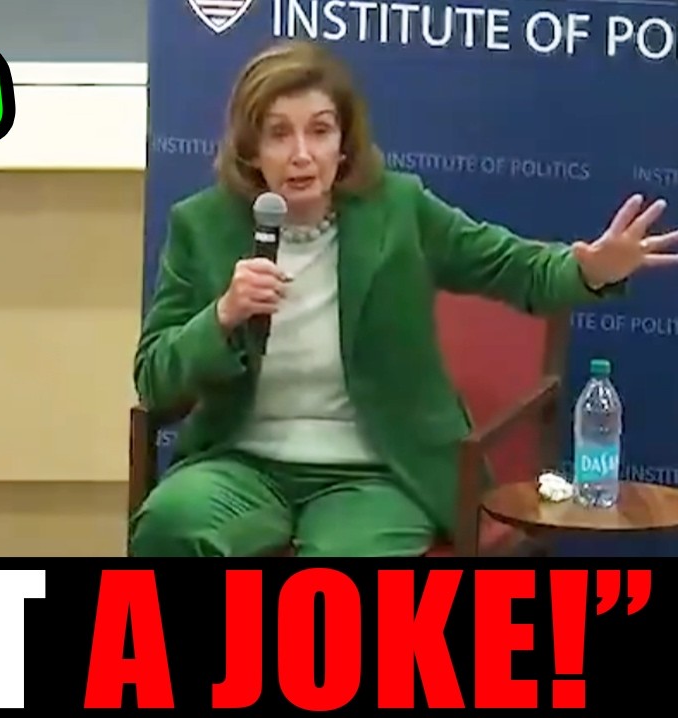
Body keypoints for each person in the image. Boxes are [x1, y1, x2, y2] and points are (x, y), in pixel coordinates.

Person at [130, 40, 678, 557]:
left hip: (375, 471)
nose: (301, 155)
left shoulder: (398, 209)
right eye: (278, 134)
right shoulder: (201, 225)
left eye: (319, 131)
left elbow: (515, 267)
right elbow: (155, 376)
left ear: (344, 142)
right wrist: (223, 315)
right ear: (250, 148)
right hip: (240, 464)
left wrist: (589, 270)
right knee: (171, 524)